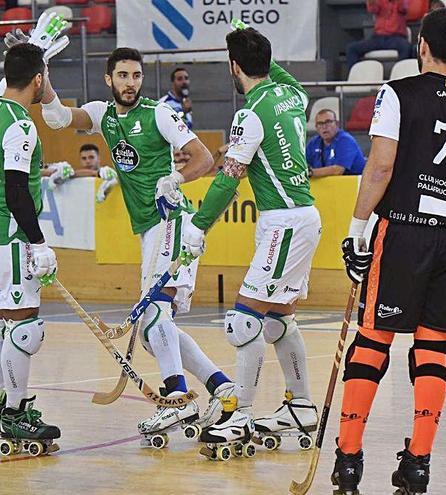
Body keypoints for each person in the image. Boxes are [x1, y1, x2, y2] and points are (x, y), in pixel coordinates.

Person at [38, 44, 239, 443]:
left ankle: (177, 397)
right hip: (151, 230)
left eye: (136, 76)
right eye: (123, 76)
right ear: (109, 79)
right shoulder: (103, 115)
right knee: (153, 328)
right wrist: (40, 67)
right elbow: (58, 117)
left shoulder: (159, 114)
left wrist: (176, 180)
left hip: (170, 221)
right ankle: (222, 388)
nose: (131, 83)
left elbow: (202, 158)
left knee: (153, 316)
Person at [334, 9, 446, 494]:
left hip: (403, 232)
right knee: (433, 349)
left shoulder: (396, 93)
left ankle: (348, 461)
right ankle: (418, 464)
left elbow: (380, 168)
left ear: (421, 45)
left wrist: (357, 228)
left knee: (373, 342)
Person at [181, 20, 321, 457]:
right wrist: (251, 44)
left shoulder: (250, 113)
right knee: (277, 318)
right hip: (306, 218)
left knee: (244, 320)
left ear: (233, 66)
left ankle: (238, 413)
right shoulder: (292, 95)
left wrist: (197, 225)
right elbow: (275, 71)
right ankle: (300, 406)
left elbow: (228, 179)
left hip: (283, 224)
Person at [0, 39, 67, 454]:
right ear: (39, 79)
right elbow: (16, 191)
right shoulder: (21, 126)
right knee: (25, 326)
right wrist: (39, 242)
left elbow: (5, 83)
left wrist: (35, 48)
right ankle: (14, 412)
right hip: (9, 235)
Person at [346, 0, 412, 68]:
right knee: (352, 49)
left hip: (396, 38)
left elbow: (404, 8)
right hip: (378, 38)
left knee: (407, 47)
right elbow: (373, 9)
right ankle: (357, 76)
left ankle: (400, 74)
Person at [306, 109, 367, 177]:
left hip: (355, 185)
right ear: (316, 127)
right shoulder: (314, 143)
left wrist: (310, 173)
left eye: (328, 122)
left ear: (337, 124)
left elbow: (338, 170)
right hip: (328, 185)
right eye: (320, 123)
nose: (324, 127)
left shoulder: (346, 140)